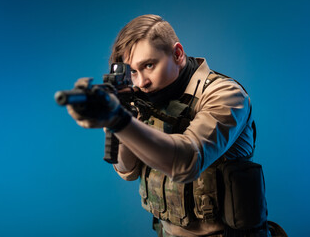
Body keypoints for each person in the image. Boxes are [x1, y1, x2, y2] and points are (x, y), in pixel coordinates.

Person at [67, 14, 269, 237]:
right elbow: (127, 170)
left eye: (149, 65)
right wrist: (118, 121)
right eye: (133, 71)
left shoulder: (225, 95)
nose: (142, 82)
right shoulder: (145, 98)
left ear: (178, 54)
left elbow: (187, 162)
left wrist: (119, 121)